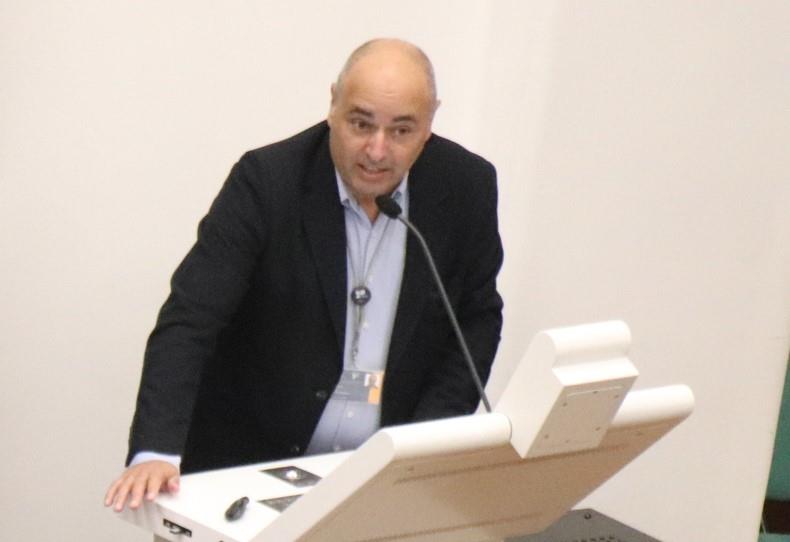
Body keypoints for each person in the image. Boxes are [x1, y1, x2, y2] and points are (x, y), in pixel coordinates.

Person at [104, 38, 503, 512]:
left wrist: (421, 448)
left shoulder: (465, 186)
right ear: (333, 104)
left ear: (430, 122)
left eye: (401, 130)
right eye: (361, 124)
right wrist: (156, 450)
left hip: (376, 484)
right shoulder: (268, 182)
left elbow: (476, 320)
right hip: (247, 469)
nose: (377, 150)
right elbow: (190, 320)